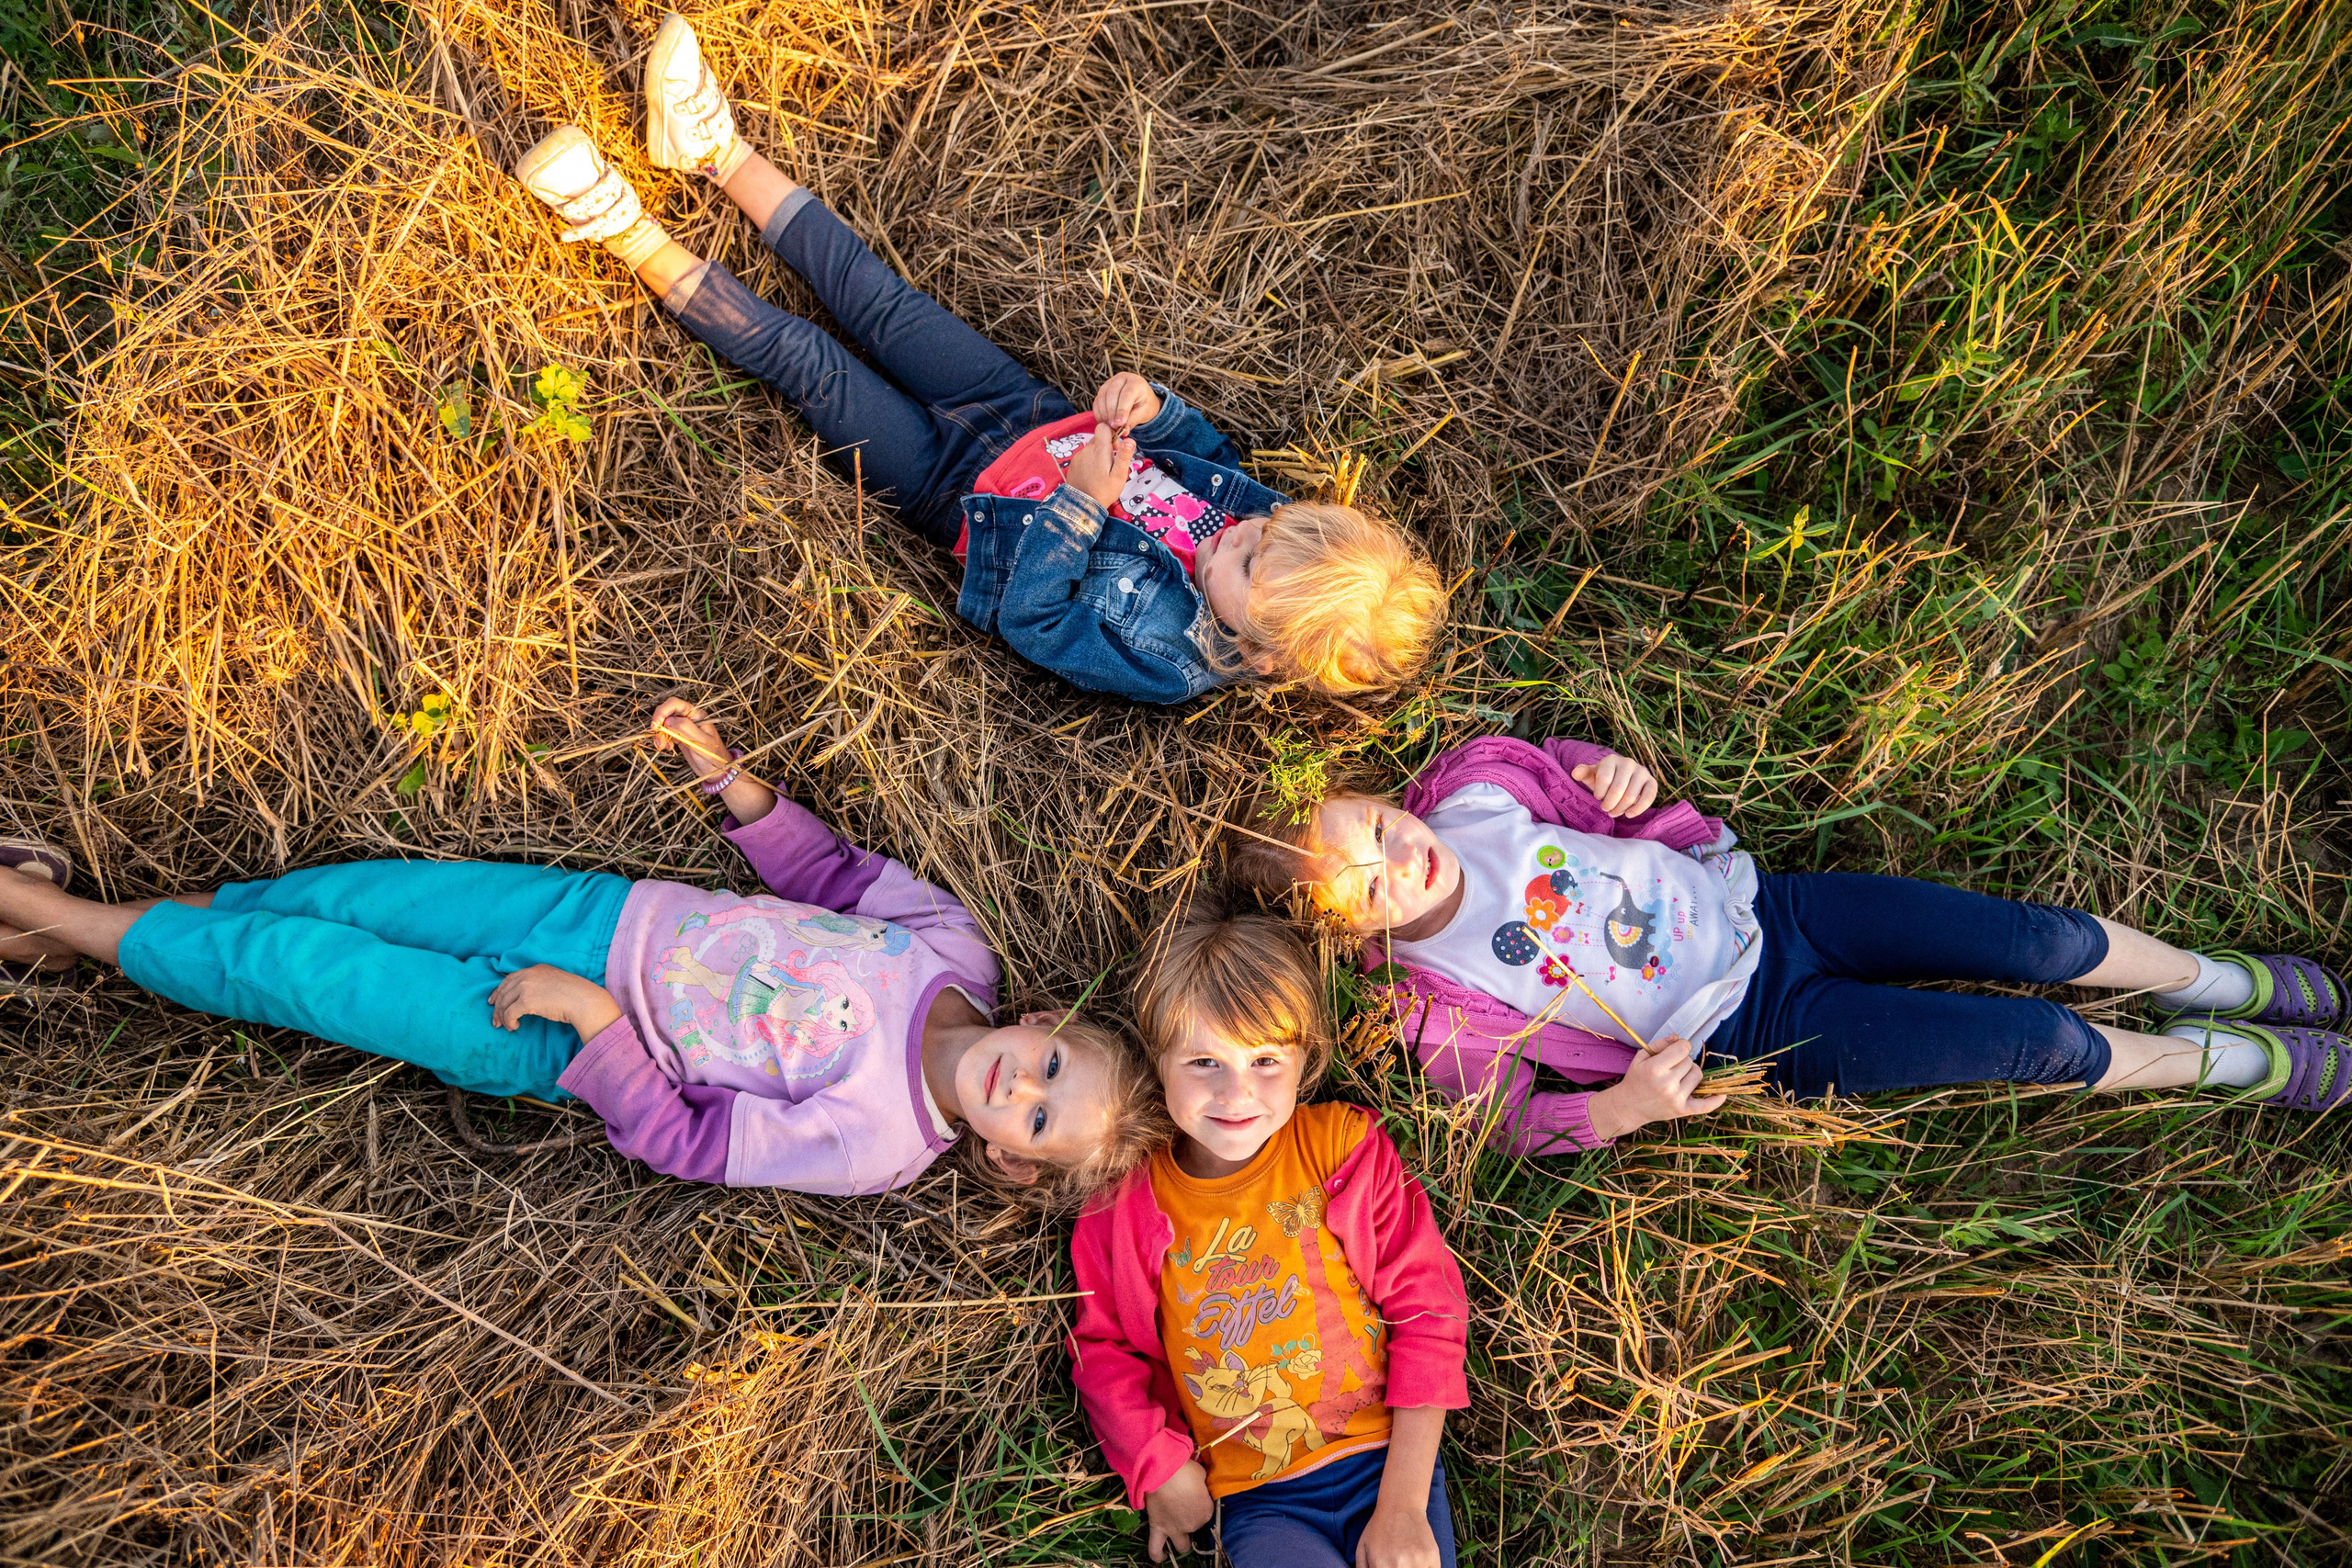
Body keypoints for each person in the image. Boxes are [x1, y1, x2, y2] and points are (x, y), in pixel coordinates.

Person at [510, 14, 1447, 705]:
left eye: (1243, 562)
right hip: (1022, 407)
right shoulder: (1252, 522)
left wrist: (1082, 502)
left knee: (807, 364)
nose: (1231, 533)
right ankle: (714, 150)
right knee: (875, 296)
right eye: (1264, 528)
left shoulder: (1167, 658)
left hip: (948, 493)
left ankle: (623, 229)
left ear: (1266, 654)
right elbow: (1206, 450)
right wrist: (1151, 409)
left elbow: (1030, 618)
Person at [0, 699, 1161, 1200]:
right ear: (1044, 1022)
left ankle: (47, 914)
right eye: (1055, 1065)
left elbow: (689, 1143)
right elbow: (836, 878)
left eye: (1040, 1122)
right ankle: (77, 940)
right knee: (347, 894)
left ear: (1010, 1159)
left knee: (307, 973)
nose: (1024, 1087)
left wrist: (594, 1022)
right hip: (592, 916)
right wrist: (733, 783)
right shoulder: (956, 952)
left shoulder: (877, 1145)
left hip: (551, 1031)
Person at [1225, 733, 2351, 1149]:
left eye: (1372, 827)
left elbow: (1573, 777)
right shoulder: (1426, 1007)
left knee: (2035, 940)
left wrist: (1612, 776)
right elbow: (1510, 1120)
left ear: (1376, 795)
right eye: (1361, 889)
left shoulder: (1473, 786)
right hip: (1764, 1027)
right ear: (1343, 938)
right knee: (2034, 1044)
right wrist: (1615, 1111)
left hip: (1776, 906)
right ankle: (2226, 1064)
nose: (1396, 859)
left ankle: (2214, 980)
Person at [1069, 913, 1468, 1568]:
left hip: (1389, 1462)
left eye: (1264, 1059)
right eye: (1204, 1061)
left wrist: (1401, 1506)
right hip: (1260, 1498)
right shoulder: (1124, 1202)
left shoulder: (1339, 1147)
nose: (1236, 1092)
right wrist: (1160, 1469)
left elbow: (1428, 1308)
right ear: (1158, 1061)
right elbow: (1104, 1347)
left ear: (1305, 1058)